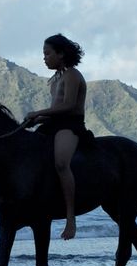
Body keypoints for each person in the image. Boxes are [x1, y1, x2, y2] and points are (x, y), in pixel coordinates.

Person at [21, 33, 92, 239]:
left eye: (47, 53)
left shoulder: (72, 75)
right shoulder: (55, 80)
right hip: (54, 125)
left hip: (70, 126)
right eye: (44, 54)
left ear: (61, 54)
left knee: (61, 163)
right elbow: (55, 111)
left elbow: (68, 106)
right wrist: (37, 120)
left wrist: (38, 113)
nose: (44, 58)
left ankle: (71, 218)